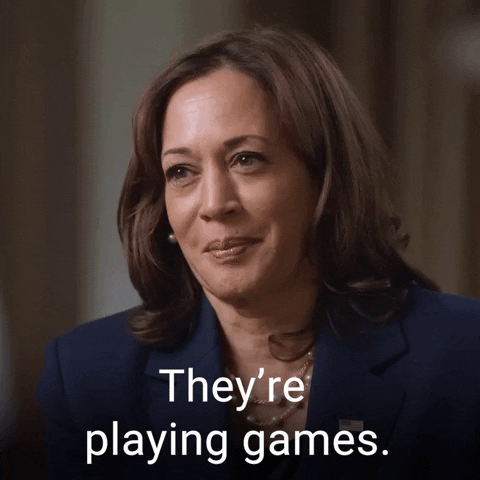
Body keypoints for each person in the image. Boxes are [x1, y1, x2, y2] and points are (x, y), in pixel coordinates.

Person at [36, 26, 480, 479]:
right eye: (182, 171)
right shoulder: (87, 377)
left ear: (325, 181)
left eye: (246, 159)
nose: (214, 205)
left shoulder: (463, 356)